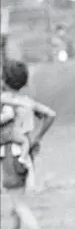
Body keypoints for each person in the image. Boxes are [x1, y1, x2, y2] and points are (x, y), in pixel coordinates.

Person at [0, 59, 57, 229]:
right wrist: (35, 138)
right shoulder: (26, 101)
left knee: (19, 206)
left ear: (4, 80)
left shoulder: (6, 103)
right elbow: (50, 114)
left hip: (10, 157)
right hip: (25, 156)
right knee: (16, 206)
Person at [1, 61, 37, 190]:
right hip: (27, 141)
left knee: (17, 199)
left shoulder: (5, 100)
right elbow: (50, 114)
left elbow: (9, 115)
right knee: (21, 192)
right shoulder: (27, 101)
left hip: (12, 148)